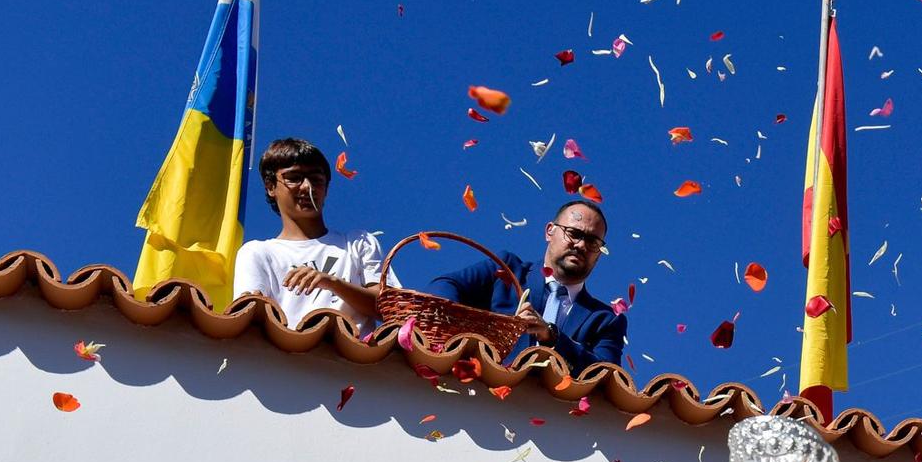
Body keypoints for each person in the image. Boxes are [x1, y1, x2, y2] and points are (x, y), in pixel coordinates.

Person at [422, 200, 627, 372]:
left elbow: (606, 375)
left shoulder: (606, 320)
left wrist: (552, 337)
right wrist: (466, 326)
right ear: (549, 232)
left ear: (599, 253)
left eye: (592, 242)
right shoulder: (507, 269)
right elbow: (444, 286)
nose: (581, 245)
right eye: (573, 233)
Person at [232, 138, 392, 333]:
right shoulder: (257, 252)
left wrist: (333, 283)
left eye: (316, 179)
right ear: (270, 187)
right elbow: (247, 316)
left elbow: (389, 309)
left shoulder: (359, 243)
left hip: (354, 358)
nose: (307, 187)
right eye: (294, 178)